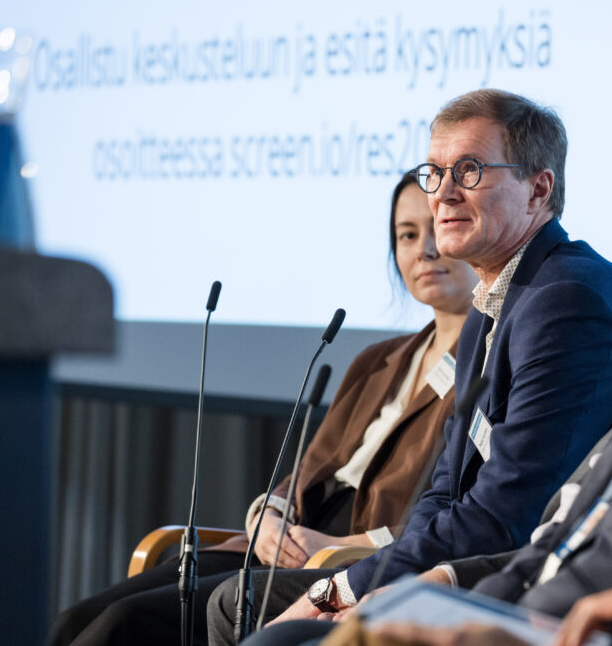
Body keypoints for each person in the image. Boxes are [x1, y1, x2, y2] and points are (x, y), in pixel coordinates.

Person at [231, 72, 612, 646]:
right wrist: (380, 585)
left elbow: (510, 514)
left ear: (538, 190)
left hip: (530, 596)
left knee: (257, 623)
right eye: (434, 173)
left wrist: (354, 589)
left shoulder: (566, 301)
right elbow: (444, 487)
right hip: (485, 574)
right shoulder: (493, 302)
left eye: (470, 171)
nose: (443, 193)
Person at [48, 171, 480, 646]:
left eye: (437, 229)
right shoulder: (377, 360)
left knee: (124, 624)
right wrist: (267, 516)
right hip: (278, 546)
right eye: (407, 235)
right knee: (76, 619)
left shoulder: (485, 369)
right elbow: (306, 472)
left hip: (348, 562)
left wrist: (339, 546)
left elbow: (461, 516)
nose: (425, 250)